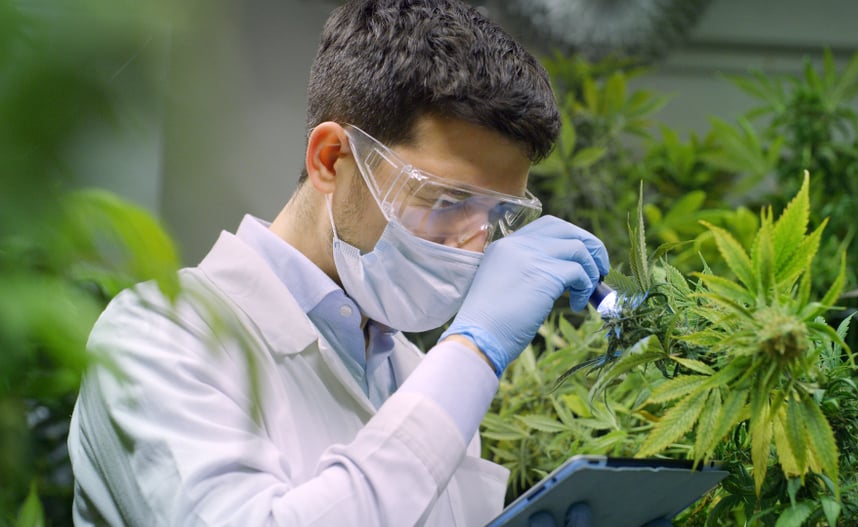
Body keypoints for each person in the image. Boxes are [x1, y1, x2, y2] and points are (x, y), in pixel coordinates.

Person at [67, 0, 609, 526]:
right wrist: (473, 351)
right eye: (446, 201)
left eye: (497, 215)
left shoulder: (418, 375)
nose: (472, 246)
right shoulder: (156, 336)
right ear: (330, 159)